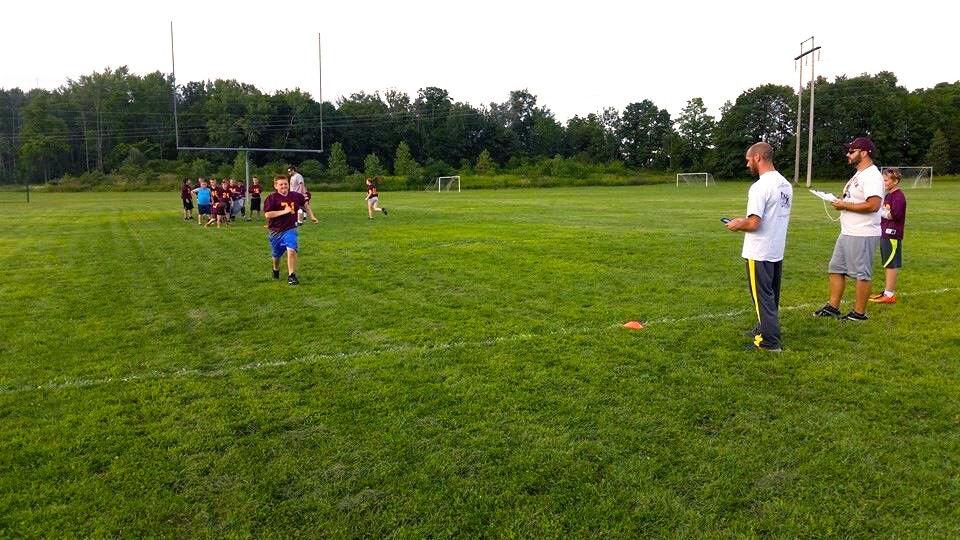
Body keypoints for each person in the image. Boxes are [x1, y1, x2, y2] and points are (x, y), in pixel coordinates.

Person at [725, 142, 792, 352]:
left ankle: (769, 342)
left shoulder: (760, 186)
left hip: (760, 250)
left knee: (762, 297)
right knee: (771, 295)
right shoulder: (785, 184)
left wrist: (737, 224)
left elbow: (754, 223)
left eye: (748, 160)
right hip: (776, 249)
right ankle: (763, 328)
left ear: (757, 158)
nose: (747, 164)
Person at [813, 137, 884, 321]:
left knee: (862, 274)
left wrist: (844, 205)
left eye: (852, 151)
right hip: (848, 231)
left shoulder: (872, 175)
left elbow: (873, 205)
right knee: (836, 268)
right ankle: (833, 307)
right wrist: (840, 200)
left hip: (863, 232)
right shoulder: (859, 174)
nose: (848, 154)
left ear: (864, 153)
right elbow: (856, 199)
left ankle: (859, 314)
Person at [263, 174, 318, 285]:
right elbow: (267, 214)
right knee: (276, 255)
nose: (284, 186)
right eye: (281, 184)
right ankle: (275, 269)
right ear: (275, 186)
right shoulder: (271, 198)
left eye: (286, 184)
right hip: (276, 231)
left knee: (291, 249)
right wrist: (284, 211)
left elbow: (305, 204)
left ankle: (291, 275)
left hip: (290, 229)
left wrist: (312, 216)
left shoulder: (295, 196)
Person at [870, 167, 907, 304]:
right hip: (885, 232)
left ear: (895, 181)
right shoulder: (888, 195)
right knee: (887, 262)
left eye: (885, 180)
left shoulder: (898, 196)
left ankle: (889, 295)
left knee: (891, 263)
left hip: (893, 234)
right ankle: (886, 292)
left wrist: (879, 212)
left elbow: (895, 215)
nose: (883, 182)